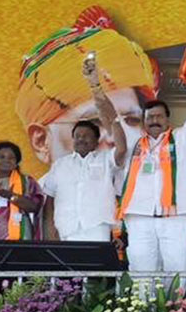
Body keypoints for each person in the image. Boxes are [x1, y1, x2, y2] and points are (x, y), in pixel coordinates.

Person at [17, 7, 159, 170]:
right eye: (94, 123)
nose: (122, 139)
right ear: (41, 141)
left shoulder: (157, 187)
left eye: (133, 120)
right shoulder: (35, 192)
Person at [118, 77, 186, 273]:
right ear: (143, 122)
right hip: (140, 217)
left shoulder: (181, 138)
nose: (154, 121)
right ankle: (142, 305)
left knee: (176, 271)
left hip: (174, 218)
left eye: (159, 116)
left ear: (168, 120)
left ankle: (177, 305)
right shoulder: (134, 143)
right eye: (150, 117)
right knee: (141, 273)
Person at [39, 52, 129, 243]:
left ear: (97, 141)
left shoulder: (106, 159)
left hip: (97, 229)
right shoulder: (60, 165)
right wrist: (49, 229)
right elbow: (50, 201)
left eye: (87, 136)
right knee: (68, 274)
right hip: (65, 228)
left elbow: (121, 148)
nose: (81, 139)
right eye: (78, 136)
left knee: (95, 273)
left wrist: (97, 89)